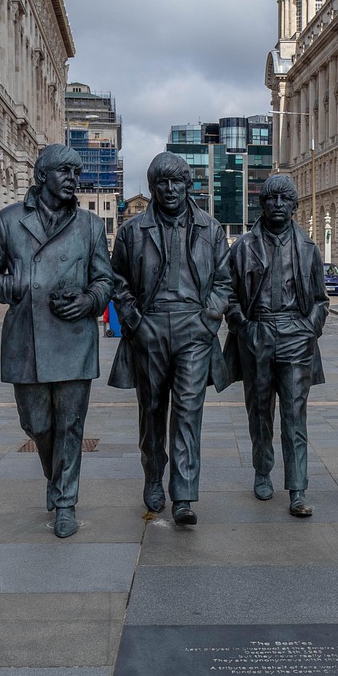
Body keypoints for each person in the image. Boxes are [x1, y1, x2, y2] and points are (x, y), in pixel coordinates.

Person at [0, 144, 113, 539]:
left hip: (73, 337)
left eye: (77, 172)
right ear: (42, 176)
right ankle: (57, 479)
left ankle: (66, 502)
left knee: (71, 425)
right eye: (65, 171)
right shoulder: (9, 221)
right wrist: (16, 285)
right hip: (26, 339)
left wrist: (88, 300)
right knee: (36, 423)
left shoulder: (90, 225)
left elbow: (106, 279)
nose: (73, 179)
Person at [108, 152, 232, 526]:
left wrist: (208, 319)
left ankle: (184, 494)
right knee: (152, 412)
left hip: (194, 330)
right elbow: (118, 281)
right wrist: (135, 321)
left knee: (188, 414)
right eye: (162, 182)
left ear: (188, 184)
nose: (170, 189)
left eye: (177, 181)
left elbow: (225, 282)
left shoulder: (210, 229)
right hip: (149, 328)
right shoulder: (132, 231)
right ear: (152, 187)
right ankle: (152, 477)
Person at [224, 174, 328, 518]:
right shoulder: (242, 246)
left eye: (285, 199)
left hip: (295, 336)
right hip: (258, 334)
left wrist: (308, 328)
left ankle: (297, 489)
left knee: (295, 416)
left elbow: (320, 300)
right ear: (262, 204)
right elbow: (228, 292)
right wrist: (242, 326)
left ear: (295, 206)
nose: (278, 205)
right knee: (260, 413)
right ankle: (262, 471)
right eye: (271, 199)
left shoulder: (308, 247)